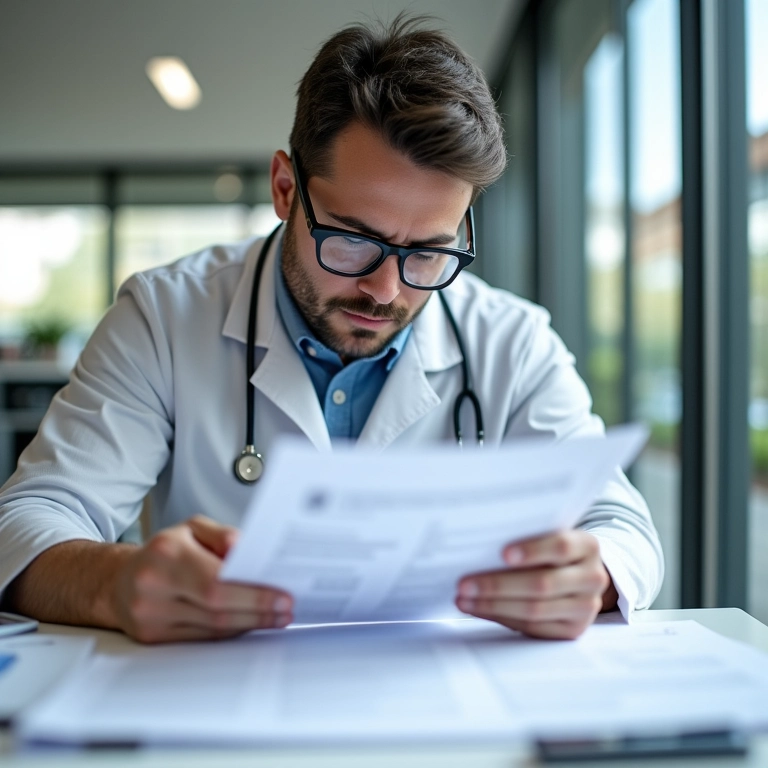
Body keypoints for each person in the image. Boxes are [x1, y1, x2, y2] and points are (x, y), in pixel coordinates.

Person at [0, 16, 663, 644]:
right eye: (354, 240)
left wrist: (595, 574)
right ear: (286, 190)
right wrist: (115, 583)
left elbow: (621, 524)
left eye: (427, 252)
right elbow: (25, 522)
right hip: (221, 694)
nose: (386, 289)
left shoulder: (512, 341)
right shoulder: (164, 316)